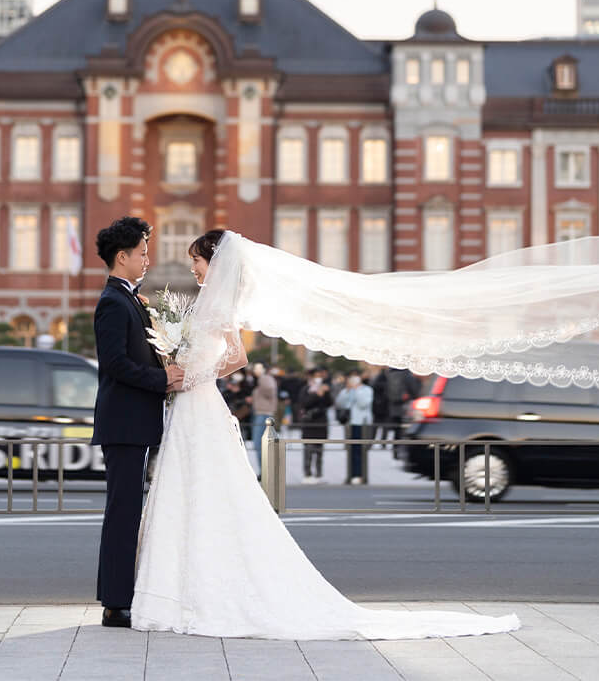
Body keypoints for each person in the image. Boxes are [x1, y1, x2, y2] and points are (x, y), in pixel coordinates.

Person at [132, 231, 518, 640]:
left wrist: (191, 375)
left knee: (207, 490)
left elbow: (238, 356)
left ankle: (192, 591)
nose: (192, 267)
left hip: (200, 401)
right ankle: (180, 588)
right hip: (192, 405)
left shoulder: (221, 302)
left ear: (215, 262)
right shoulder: (206, 301)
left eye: (197, 260)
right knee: (191, 490)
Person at [90, 216, 185, 630]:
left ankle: (124, 596)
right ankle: (115, 603)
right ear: (122, 256)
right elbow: (115, 365)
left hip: (137, 421)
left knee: (132, 512)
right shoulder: (113, 302)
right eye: (142, 252)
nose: (147, 259)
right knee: (123, 513)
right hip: (123, 424)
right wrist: (161, 378)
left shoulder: (132, 299)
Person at [334, 372, 375, 485]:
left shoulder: (367, 390)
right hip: (350, 423)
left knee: (360, 450)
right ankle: (351, 474)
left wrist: (356, 390)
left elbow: (363, 403)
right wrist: (347, 391)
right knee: (350, 450)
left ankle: (359, 475)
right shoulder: (347, 390)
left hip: (362, 423)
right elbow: (340, 403)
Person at [294, 370, 332, 480]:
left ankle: (319, 473)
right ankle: (307, 473)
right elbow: (304, 403)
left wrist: (327, 393)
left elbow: (329, 404)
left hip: (321, 423)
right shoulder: (306, 389)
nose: (318, 379)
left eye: (320, 376)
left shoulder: (324, 389)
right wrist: (316, 394)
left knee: (319, 450)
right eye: (316, 376)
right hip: (309, 423)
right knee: (308, 449)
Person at [247, 362, 278, 475]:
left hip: (264, 414)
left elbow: (270, 391)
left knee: (259, 444)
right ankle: (264, 470)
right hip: (262, 413)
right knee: (261, 444)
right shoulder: (263, 379)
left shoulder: (264, 378)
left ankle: (265, 470)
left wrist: (261, 380)